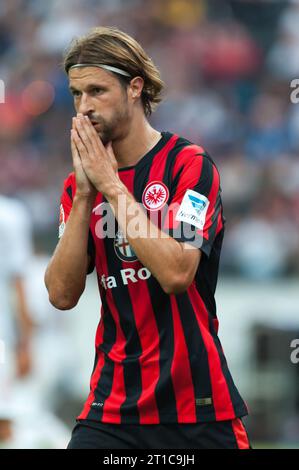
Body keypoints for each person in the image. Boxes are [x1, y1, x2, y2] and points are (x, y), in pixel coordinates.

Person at [45, 26, 251, 449]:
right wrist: (86, 196)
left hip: (197, 406)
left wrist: (113, 187)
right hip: (112, 408)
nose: (84, 107)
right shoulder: (78, 187)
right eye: (76, 94)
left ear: (134, 87)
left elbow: (177, 273)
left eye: (97, 91)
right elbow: (62, 295)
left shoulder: (189, 166)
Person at [0, 195, 33, 444]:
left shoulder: (10, 215)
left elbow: (18, 281)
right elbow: (19, 281)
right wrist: (26, 344)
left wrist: (24, 343)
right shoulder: (10, 214)